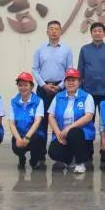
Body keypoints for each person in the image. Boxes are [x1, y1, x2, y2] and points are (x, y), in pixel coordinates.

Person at [32, 20, 74, 163]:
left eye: (57, 29)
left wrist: (61, 86)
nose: (54, 31)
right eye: (51, 29)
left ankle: (61, 150)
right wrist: (43, 85)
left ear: (60, 32)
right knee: (42, 120)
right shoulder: (40, 49)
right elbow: (34, 69)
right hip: (43, 88)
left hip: (60, 89)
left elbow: (69, 70)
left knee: (60, 119)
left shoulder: (66, 49)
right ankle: (40, 153)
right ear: (47, 32)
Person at [78, 22, 105, 166]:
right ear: (91, 33)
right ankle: (87, 152)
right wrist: (79, 90)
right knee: (87, 123)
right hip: (87, 91)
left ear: (104, 33)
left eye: (100, 30)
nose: (97, 33)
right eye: (95, 30)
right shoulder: (84, 49)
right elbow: (80, 71)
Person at [47, 68, 95, 173]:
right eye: (68, 80)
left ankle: (80, 163)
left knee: (74, 132)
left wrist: (69, 128)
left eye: (74, 80)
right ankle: (70, 160)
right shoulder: (58, 96)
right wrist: (58, 133)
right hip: (62, 135)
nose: (71, 83)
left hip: (81, 136)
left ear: (79, 82)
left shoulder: (87, 97)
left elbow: (88, 116)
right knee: (53, 152)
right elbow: (51, 116)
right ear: (64, 82)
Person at [8, 72, 46, 170]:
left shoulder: (38, 101)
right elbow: (11, 123)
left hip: (34, 134)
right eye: (20, 85)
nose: (23, 88)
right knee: (16, 147)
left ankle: (34, 160)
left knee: (37, 141)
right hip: (20, 134)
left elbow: (37, 122)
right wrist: (18, 138)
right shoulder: (13, 101)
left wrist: (27, 137)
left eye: (26, 85)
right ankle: (21, 157)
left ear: (31, 86)